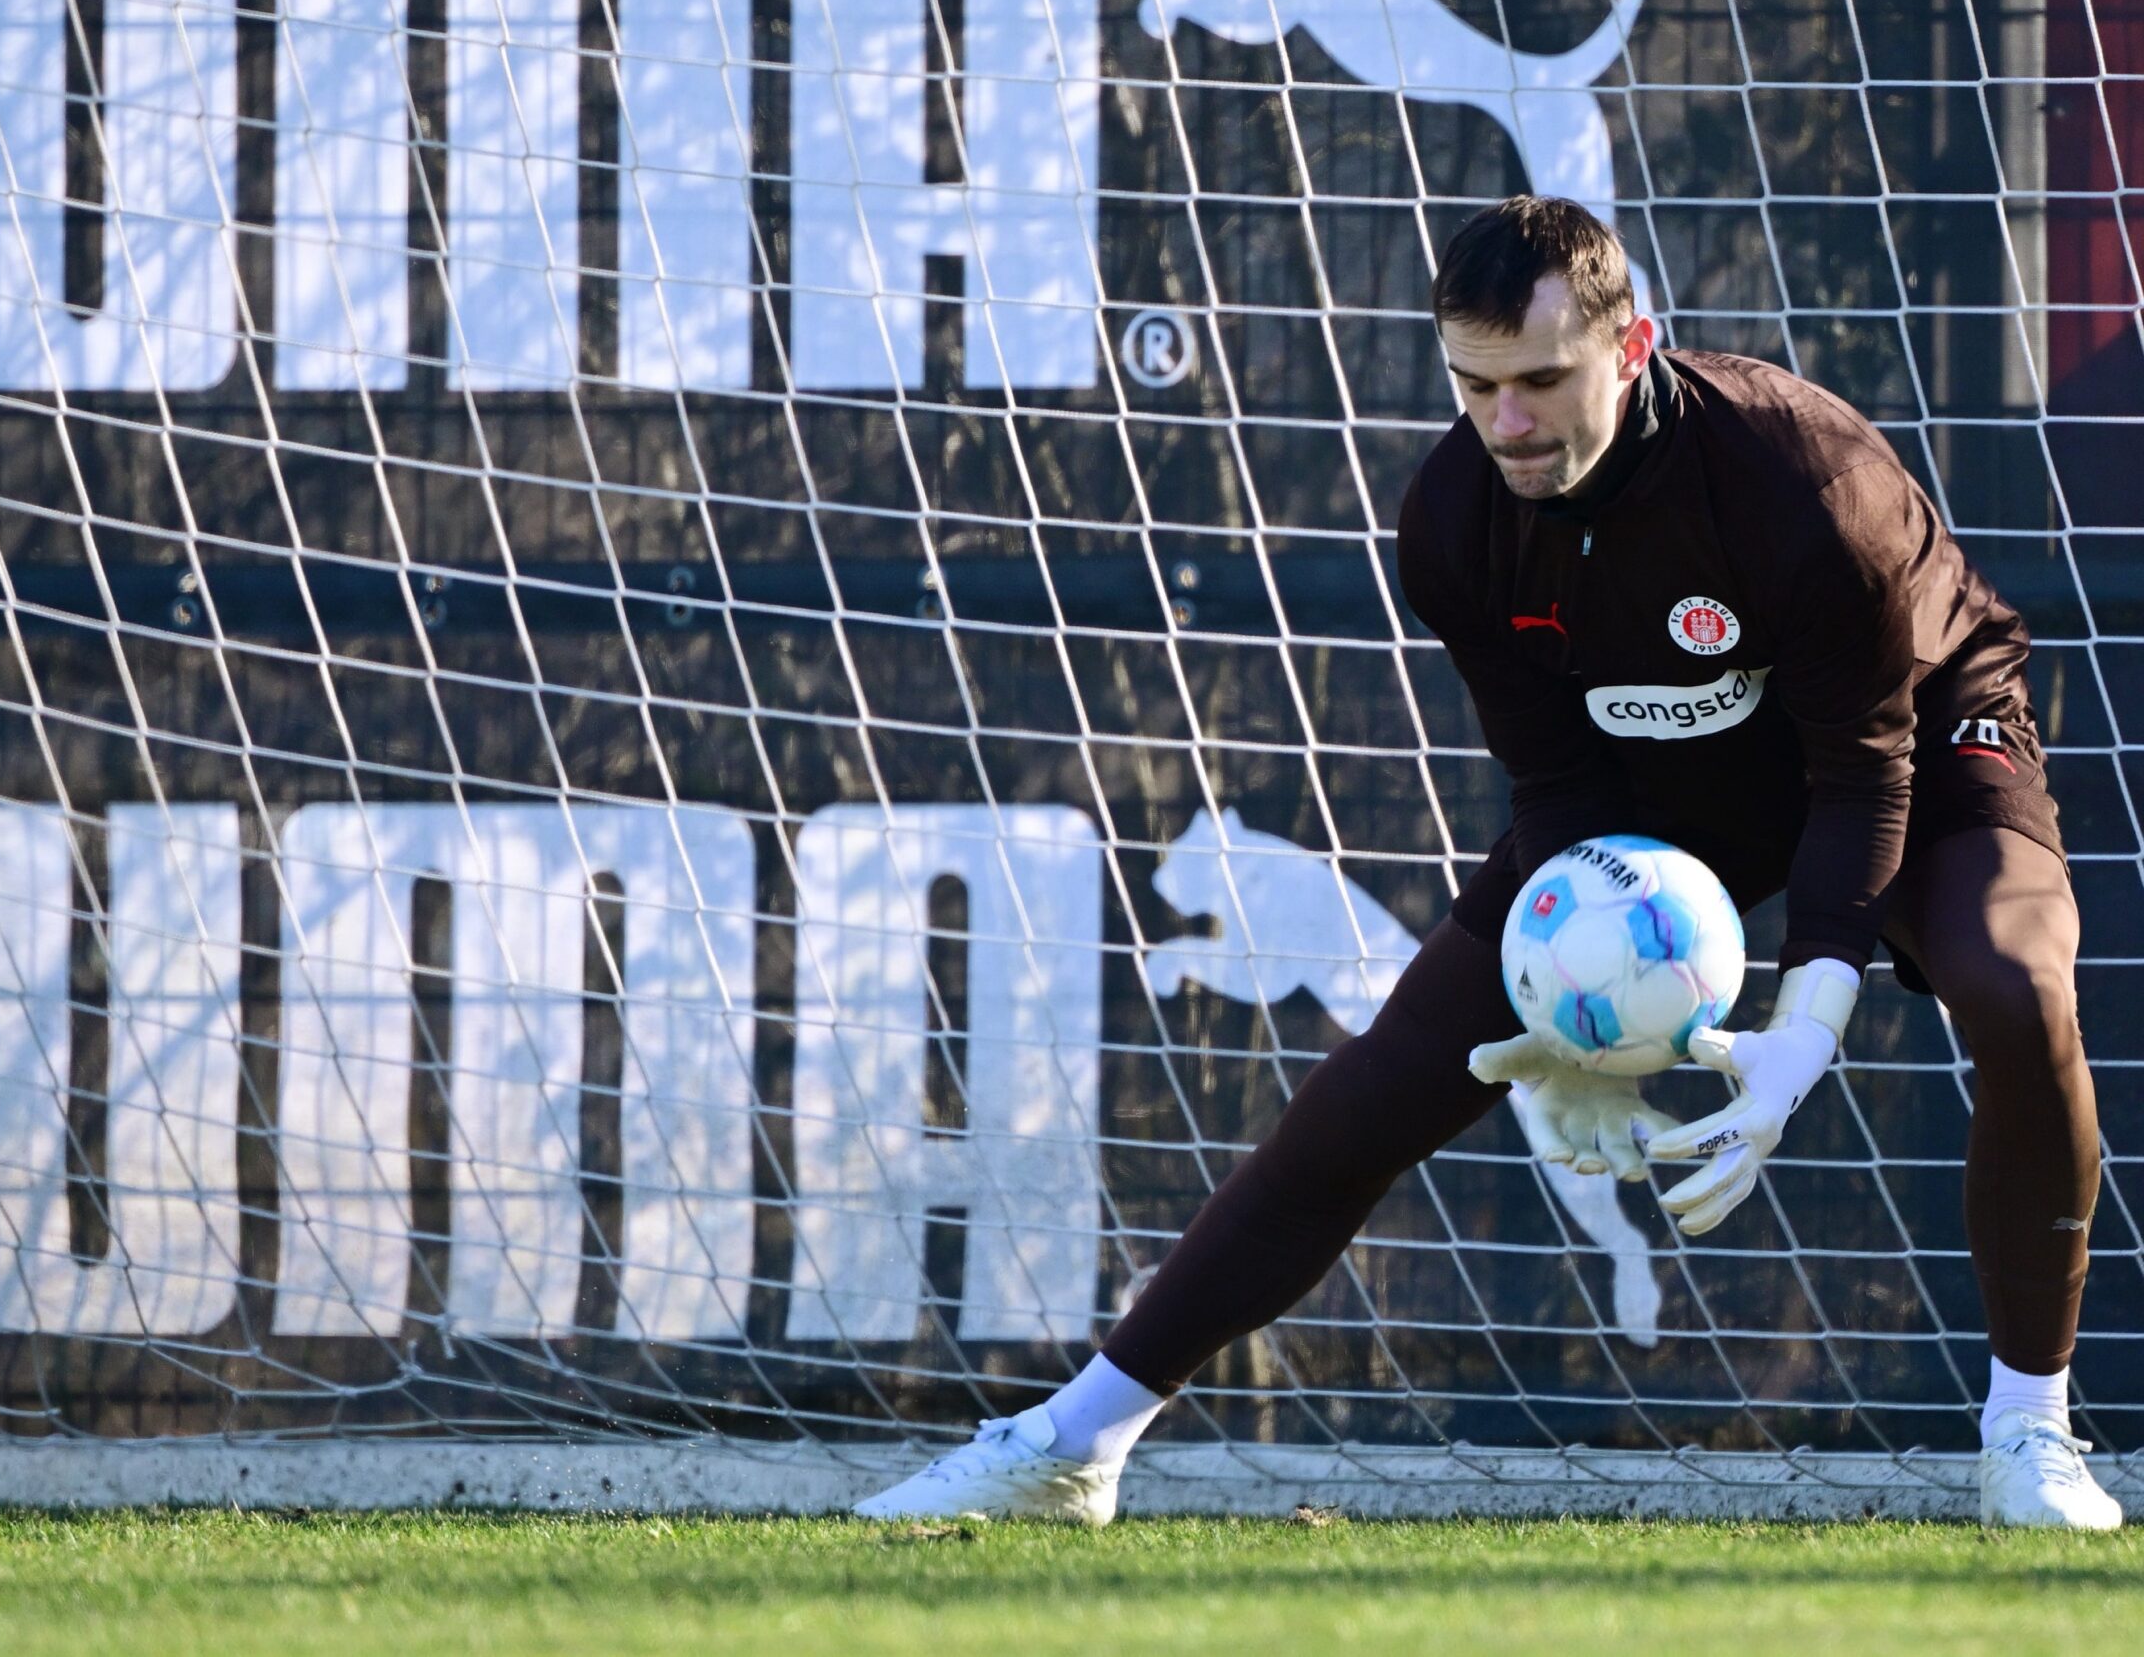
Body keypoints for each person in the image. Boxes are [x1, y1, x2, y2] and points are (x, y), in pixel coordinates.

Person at [855, 196, 2119, 1531]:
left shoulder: (1808, 486)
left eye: (1540, 382)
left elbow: (1860, 779)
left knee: (2015, 986)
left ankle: (2028, 1430)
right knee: (1382, 1087)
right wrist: (1580, 1024)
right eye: (1476, 387)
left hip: (1916, 739)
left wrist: (1802, 1037)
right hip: (1656, 788)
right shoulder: (1455, 520)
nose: (1506, 423)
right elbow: (1562, 785)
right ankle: (1076, 1442)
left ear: (1633, 347)